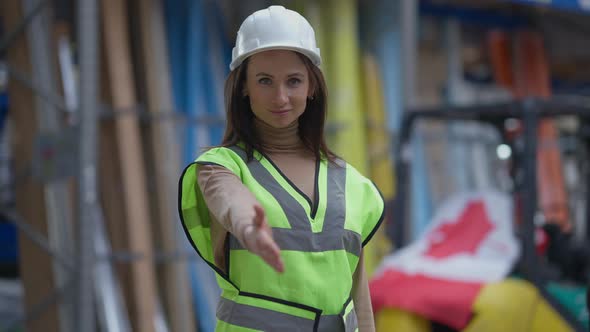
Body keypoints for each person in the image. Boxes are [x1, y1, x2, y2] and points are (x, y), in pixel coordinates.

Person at [179, 5, 384, 331]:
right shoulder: (221, 166)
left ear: (311, 87)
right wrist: (249, 227)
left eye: (293, 81)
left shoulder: (350, 183)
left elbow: (358, 294)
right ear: (243, 86)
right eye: (264, 80)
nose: (280, 96)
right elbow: (231, 200)